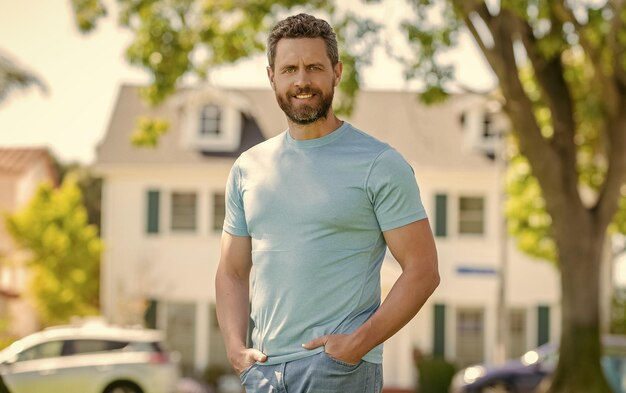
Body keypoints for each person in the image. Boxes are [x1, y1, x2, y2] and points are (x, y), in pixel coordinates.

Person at [215, 13, 439, 393]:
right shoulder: (248, 168)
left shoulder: (379, 164)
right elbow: (232, 270)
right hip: (263, 373)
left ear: (336, 72)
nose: (302, 81)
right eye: (289, 69)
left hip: (337, 370)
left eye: (314, 67)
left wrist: (357, 344)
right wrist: (236, 349)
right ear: (272, 77)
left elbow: (423, 270)